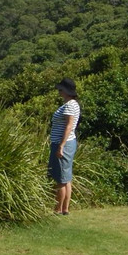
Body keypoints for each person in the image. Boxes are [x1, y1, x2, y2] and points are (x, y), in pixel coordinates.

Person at [48, 78, 80, 215]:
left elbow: (69, 125)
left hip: (63, 143)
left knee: (60, 178)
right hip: (67, 143)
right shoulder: (72, 104)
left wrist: (61, 145)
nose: (59, 91)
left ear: (66, 91)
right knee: (66, 178)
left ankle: (58, 209)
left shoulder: (69, 105)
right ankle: (65, 209)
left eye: (61, 89)